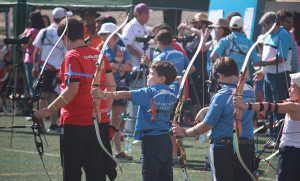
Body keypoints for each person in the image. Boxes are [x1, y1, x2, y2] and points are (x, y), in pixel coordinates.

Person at [34, 16, 117, 181]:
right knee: (96, 172)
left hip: (74, 123)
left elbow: (72, 91)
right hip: (98, 122)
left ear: (65, 37)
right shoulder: (99, 54)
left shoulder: (72, 56)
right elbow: (112, 87)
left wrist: (47, 111)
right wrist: (104, 109)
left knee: (72, 172)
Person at [91, 61, 179, 180]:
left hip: (151, 141)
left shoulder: (149, 92)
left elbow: (127, 94)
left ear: (162, 79)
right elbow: (178, 81)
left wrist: (104, 94)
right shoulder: (173, 90)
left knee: (150, 176)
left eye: (152, 74)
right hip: (166, 141)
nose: (148, 76)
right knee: (166, 176)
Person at [172, 56, 256, 181]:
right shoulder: (250, 91)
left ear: (219, 75)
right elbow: (234, 108)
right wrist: (207, 109)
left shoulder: (221, 95)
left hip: (224, 149)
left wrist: (184, 132)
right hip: (246, 147)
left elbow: (207, 125)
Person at [233, 72, 300, 181]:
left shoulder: (293, 107)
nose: (289, 89)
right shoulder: (293, 106)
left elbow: (271, 106)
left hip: (290, 157)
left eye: (293, 87)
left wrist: (245, 105)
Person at [32, 7, 71, 133]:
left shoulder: (44, 31)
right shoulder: (63, 32)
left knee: (42, 97)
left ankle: (40, 123)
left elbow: (36, 50)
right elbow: (67, 52)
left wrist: (35, 66)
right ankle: (53, 124)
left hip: (45, 68)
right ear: (61, 19)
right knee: (55, 97)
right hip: (58, 70)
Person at [98, 23, 133, 160]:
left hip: (120, 87)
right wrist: (119, 67)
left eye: (105, 34)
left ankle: (118, 151)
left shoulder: (123, 50)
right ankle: (103, 147)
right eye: (101, 34)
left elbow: (129, 67)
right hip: (104, 87)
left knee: (116, 120)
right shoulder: (100, 50)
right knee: (101, 118)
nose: (102, 37)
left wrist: (113, 66)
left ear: (113, 35)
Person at [256, 11, 291, 148]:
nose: (264, 28)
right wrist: (263, 70)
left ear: (272, 23)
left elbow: (282, 58)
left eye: (265, 25)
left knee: (278, 107)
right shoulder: (270, 35)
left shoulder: (282, 34)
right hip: (270, 76)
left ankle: (278, 138)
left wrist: (263, 64)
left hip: (280, 76)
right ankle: (273, 137)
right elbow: (269, 55)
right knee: (270, 107)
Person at [122, 3, 152, 127]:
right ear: (137, 14)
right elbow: (126, 46)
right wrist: (140, 55)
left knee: (144, 96)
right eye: (145, 14)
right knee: (136, 96)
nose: (148, 16)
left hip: (144, 68)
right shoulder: (131, 26)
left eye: (148, 14)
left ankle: (140, 124)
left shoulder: (143, 26)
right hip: (135, 69)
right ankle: (131, 127)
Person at [210, 16, 262, 85]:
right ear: (242, 28)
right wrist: (268, 63)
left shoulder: (225, 40)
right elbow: (256, 63)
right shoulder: (249, 42)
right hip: (244, 80)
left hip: (228, 80)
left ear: (230, 28)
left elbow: (212, 56)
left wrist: (218, 70)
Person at [20, 11, 45, 97]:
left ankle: (35, 108)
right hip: (41, 60)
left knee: (32, 86)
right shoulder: (42, 31)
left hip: (30, 60)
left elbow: (24, 45)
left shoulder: (31, 31)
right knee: (40, 87)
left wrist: (24, 33)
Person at [277, 9, 298, 74]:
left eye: (292, 21)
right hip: (283, 72)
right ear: (280, 22)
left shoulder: (289, 33)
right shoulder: (279, 34)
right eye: (288, 21)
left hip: (292, 71)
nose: (291, 23)